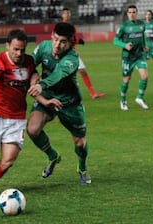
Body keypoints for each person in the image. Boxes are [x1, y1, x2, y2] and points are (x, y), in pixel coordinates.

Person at [0, 29, 60, 199]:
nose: (19, 53)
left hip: (17, 118)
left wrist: (44, 99)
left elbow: (33, 78)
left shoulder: (27, 62)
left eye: (22, 49)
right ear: (7, 46)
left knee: (8, 160)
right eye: (15, 49)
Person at [27, 22, 92, 185]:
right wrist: (34, 75)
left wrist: (40, 85)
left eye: (63, 41)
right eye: (55, 39)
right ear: (51, 37)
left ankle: (82, 167)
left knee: (80, 142)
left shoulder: (72, 58)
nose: (57, 44)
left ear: (70, 43)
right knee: (33, 130)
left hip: (69, 103)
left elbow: (58, 74)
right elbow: (28, 65)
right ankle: (52, 156)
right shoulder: (43, 47)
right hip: (48, 97)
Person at [61, 7, 105, 99]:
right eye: (65, 13)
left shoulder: (72, 27)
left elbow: (72, 39)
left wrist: (78, 41)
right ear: (62, 15)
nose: (67, 15)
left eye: (68, 13)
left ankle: (92, 93)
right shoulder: (59, 27)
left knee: (83, 71)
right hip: (63, 54)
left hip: (72, 53)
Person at [113, 5, 149, 111]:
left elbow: (142, 37)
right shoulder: (124, 26)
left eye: (134, 12)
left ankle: (139, 98)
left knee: (145, 76)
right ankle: (123, 100)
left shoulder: (142, 24)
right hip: (128, 57)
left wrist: (145, 47)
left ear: (136, 13)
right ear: (127, 14)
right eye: (130, 12)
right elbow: (115, 40)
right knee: (126, 79)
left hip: (140, 55)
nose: (132, 14)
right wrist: (124, 45)